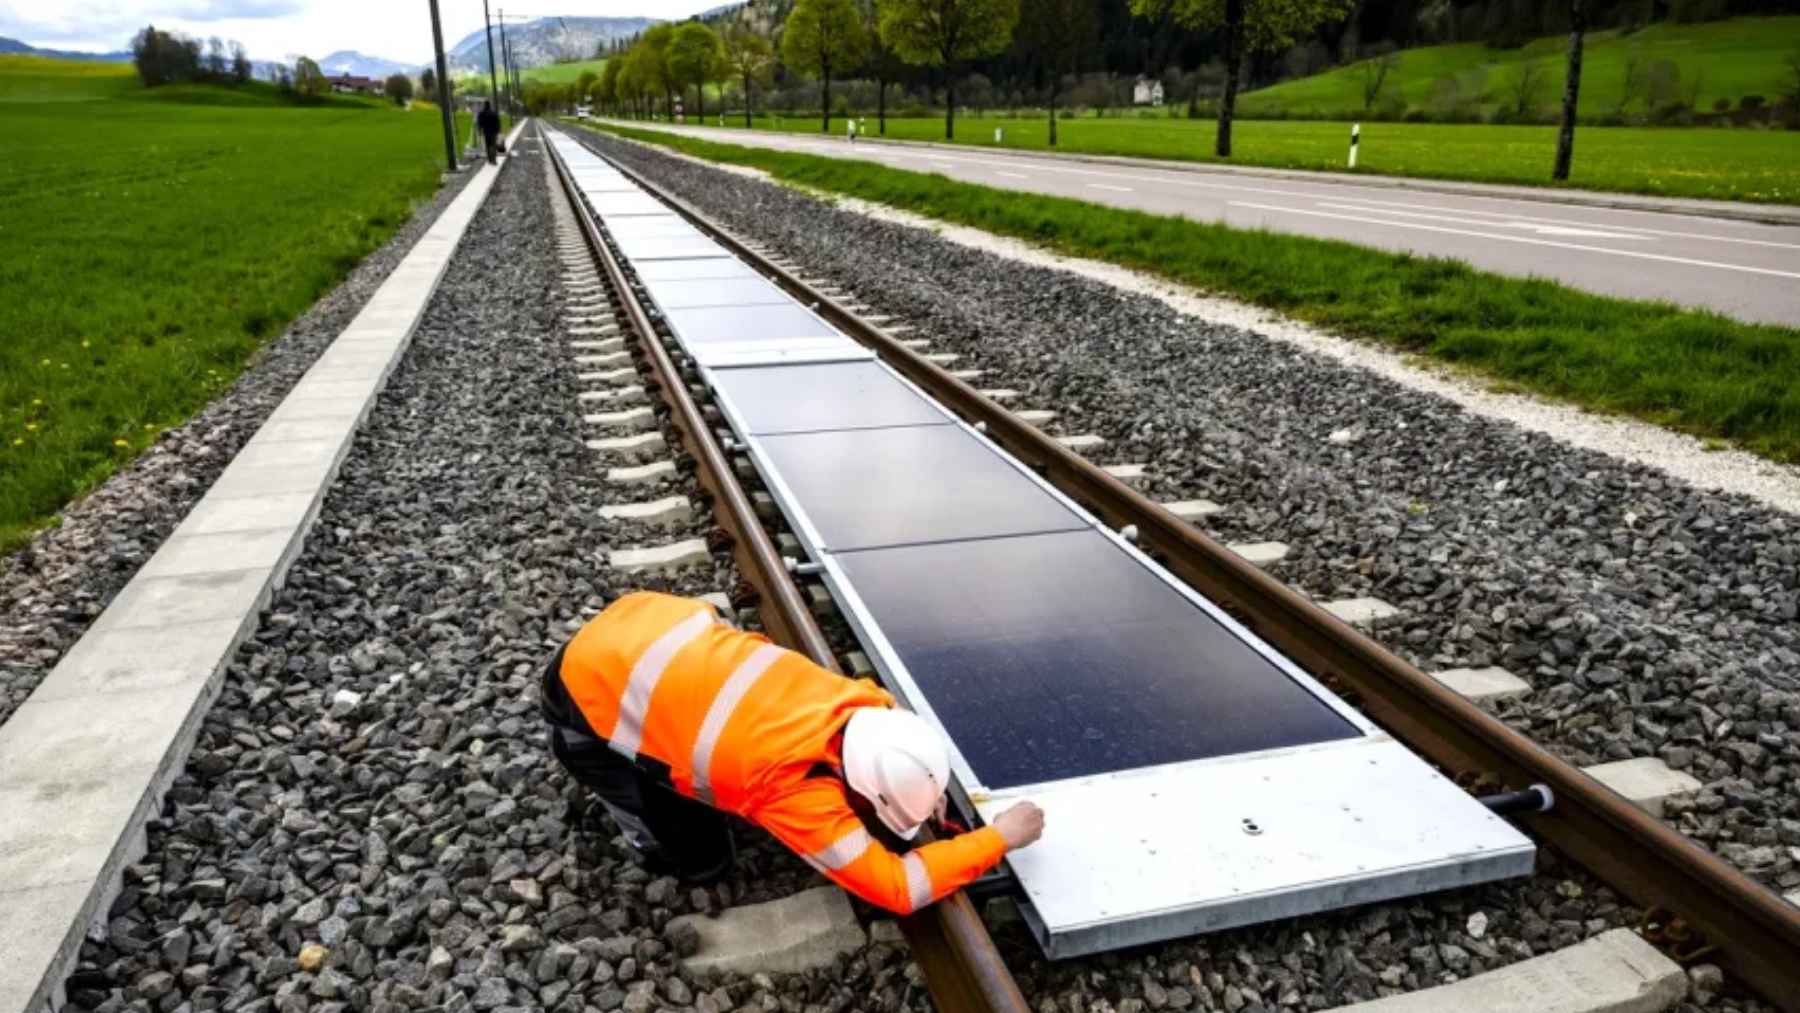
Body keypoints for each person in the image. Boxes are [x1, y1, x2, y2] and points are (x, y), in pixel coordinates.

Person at [540, 591, 1046, 915]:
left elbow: (888, 708)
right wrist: (998, 838)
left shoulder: (853, 702)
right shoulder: (788, 786)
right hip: (581, 687)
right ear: (852, 788)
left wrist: (921, 785)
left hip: (649, 618)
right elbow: (900, 888)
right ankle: (629, 808)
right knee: (703, 861)